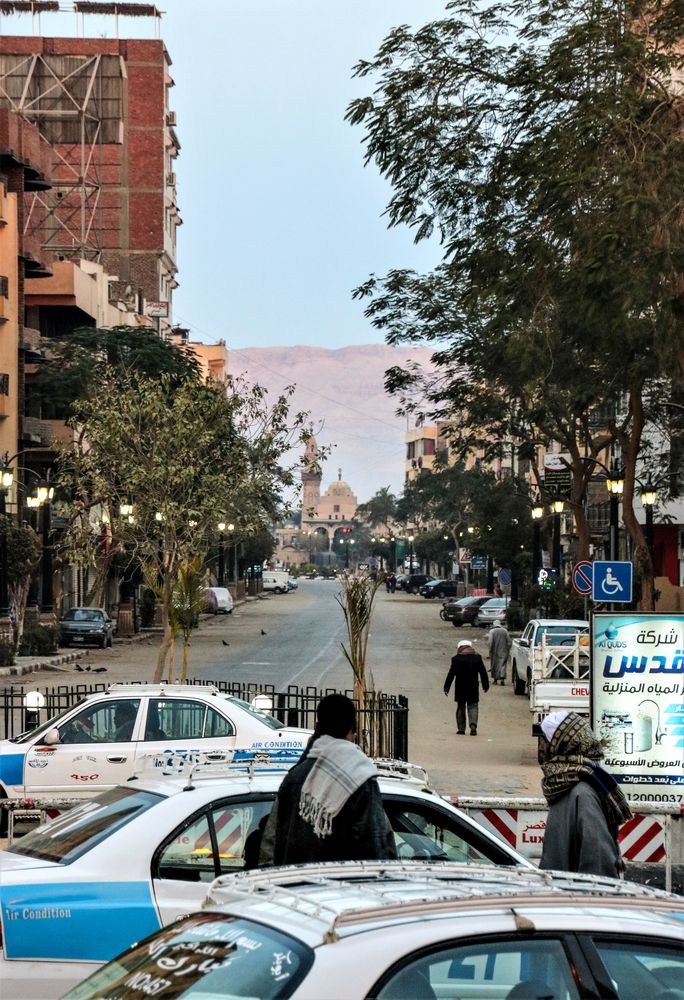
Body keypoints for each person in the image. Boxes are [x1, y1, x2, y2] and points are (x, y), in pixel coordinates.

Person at [260, 693, 396, 865]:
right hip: (346, 887)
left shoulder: (295, 777)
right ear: (353, 729)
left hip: (297, 886)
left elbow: (275, 843)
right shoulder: (360, 778)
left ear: (317, 727)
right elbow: (377, 849)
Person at [539, 711, 632, 878]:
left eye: (545, 741)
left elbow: (597, 860)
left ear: (560, 744)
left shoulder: (582, 793)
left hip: (576, 897)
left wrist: (588, 900)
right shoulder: (565, 785)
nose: (541, 747)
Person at [443, 639, 489, 736]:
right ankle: (473, 726)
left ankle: (461, 729)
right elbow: (483, 672)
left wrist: (446, 687)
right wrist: (485, 685)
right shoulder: (477, 658)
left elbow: (451, 674)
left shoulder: (456, 659)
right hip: (473, 687)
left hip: (460, 687)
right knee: (473, 706)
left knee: (461, 706)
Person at [488, 620, 512, 685]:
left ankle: (495, 680)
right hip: (504, 651)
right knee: (502, 664)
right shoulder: (505, 631)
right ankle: (502, 679)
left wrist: (490, 650)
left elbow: (490, 642)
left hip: (494, 651)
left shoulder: (492, 631)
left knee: (495, 665)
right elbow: (509, 642)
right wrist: (508, 649)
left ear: (494, 625)